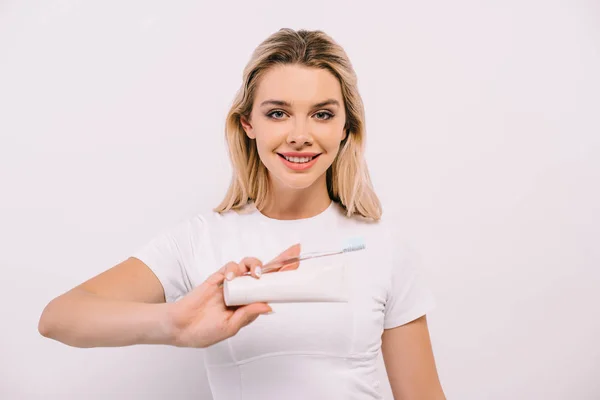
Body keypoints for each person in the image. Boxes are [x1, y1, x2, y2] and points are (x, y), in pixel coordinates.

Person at [39, 28, 446, 399]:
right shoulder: (199, 240)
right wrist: (175, 325)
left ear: (345, 127)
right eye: (278, 113)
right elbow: (59, 317)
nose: (300, 136)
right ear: (247, 123)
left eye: (322, 114)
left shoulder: (382, 245)